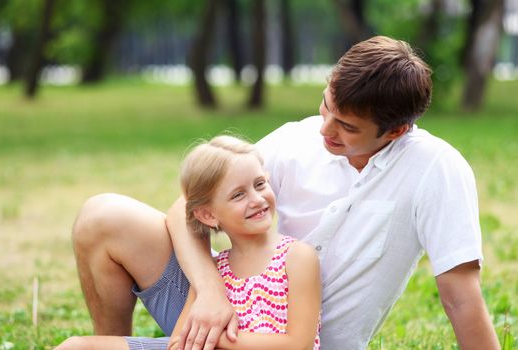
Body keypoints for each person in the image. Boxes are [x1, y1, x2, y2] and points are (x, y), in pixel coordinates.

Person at [59, 35, 500, 350]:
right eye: (326, 105)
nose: (324, 130)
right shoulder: (298, 138)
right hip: (221, 304)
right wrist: (211, 293)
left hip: (292, 336)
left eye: (347, 127)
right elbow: (187, 210)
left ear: (397, 131)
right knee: (103, 216)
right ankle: (114, 340)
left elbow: (460, 295)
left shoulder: (436, 170)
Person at [55, 136, 322, 350]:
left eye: (260, 184)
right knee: (74, 346)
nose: (257, 199)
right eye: (238, 194)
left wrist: (216, 337)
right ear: (208, 215)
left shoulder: (296, 257)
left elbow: (298, 344)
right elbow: (178, 342)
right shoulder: (215, 269)